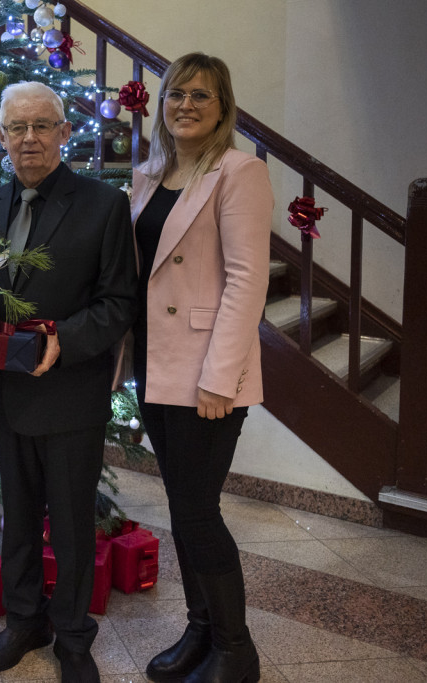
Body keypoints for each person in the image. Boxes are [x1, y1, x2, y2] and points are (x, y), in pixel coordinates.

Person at [0, 81, 137, 682]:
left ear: (65, 132)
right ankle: (24, 621)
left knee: (69, 523)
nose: (29, 138)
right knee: (14, 517)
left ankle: (74, 638)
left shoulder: (103, 206)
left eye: (42, 125)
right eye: (17, 127)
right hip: (3, 396)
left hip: (69, 395)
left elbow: (118, 303)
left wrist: (63, 339)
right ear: (2, 135)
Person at [130, 53, 272, 683]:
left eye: (202, 96)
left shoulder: (239, 172)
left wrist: (221, 376)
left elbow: (246, 280)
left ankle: (236, 649)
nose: (186, 104)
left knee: (197, 510)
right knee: (183, 502)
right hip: (154, 364)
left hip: (206, 374)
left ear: (223, 107)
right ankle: (200, 630)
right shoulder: (148, 175)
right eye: (176, 93)